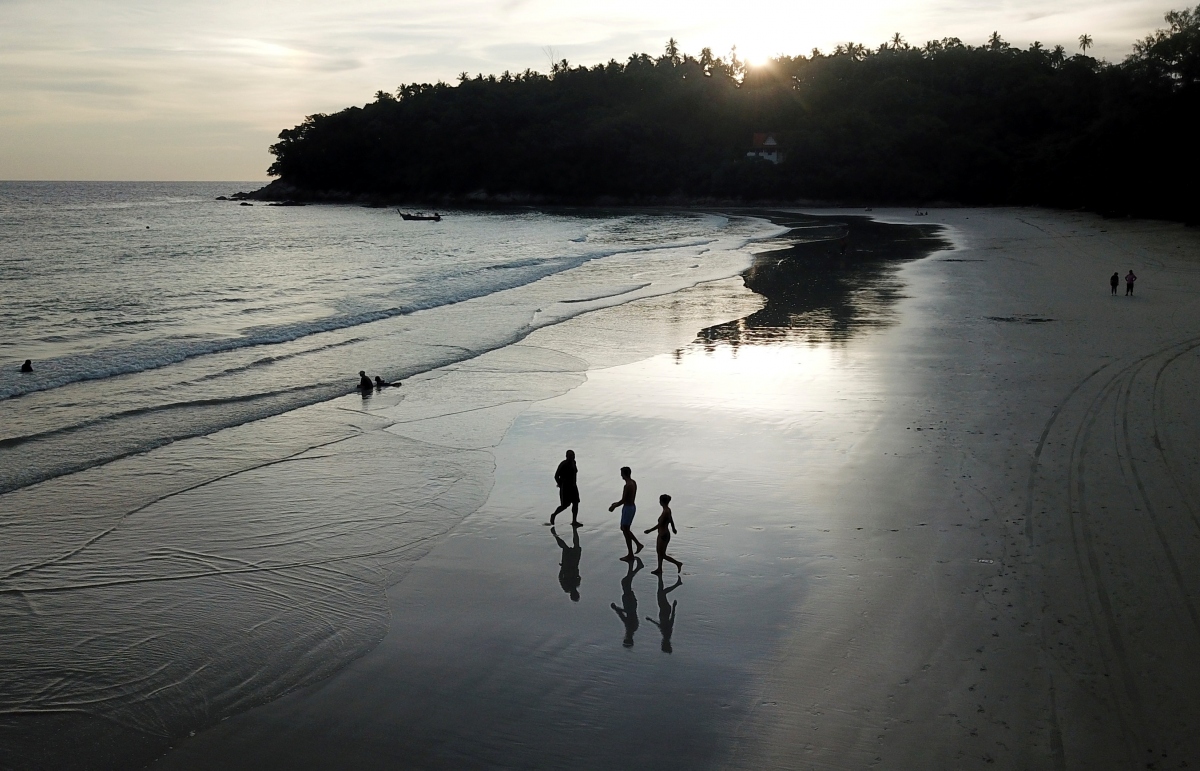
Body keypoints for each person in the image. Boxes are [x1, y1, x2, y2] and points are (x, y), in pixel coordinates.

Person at [608, 466, 643, 560]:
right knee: (624, 528)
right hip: (630, 507)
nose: (621, 476)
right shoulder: (633, 482)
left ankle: (632, 552)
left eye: (622, 474)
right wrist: (616, 503)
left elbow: (624, 500)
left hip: (628, 508)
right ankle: (637, 545)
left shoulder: (628, 485)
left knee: (625, 529)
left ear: (624, 474)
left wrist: (614, 506)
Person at [643, 494, 682, 575]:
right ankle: (659, 568)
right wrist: (673, 528)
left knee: (662, 554)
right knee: (659, 552)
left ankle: (677, 563)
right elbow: (671, 520)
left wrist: (649, 530)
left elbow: (660, 524)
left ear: (661, 502)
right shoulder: (667, 510)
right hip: (663, 534)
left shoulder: (665, 512)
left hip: (663, 535)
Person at [610, 556, 643, 647]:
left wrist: (617, 609)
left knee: (626, 582)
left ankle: (634, 565)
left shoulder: (631, 628)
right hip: (630, 604)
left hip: (630, 604)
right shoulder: (630, 628)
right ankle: (636, 566)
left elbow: (624, 616)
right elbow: (625, 615)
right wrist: (616, 608)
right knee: (625, 582)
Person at [646, 573, 681, 653]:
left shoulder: (665, 635)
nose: (661, 643)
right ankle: (677, 584)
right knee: (662, 593)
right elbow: (671, 620)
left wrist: (650, 620)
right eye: (662, 644)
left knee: (660, 592)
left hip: (663, 609)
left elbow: (659, 625)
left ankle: (660, 576)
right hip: (665, 609)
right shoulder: (667, 634)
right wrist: (674, 607)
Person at [549, 450, 580, 526]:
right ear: (566, 456)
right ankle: (554, 515)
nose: (572, 457)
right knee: (565, 505)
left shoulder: (574, 462)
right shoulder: (563, 464)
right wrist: (560, 484)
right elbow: (556, 476)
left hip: (573, 486)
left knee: (576, 503)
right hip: (565, 487)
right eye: (570, 456)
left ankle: (574, 521)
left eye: (573, 455)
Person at [551, 526, 582, 602]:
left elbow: (561, 578)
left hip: (568, 566)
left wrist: (562, 569)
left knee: (566, 548)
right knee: (574, 546)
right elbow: (578, 576)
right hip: (573, 565)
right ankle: (574, 530)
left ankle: (555, 535)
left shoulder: (567, 587)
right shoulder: (575, 585)